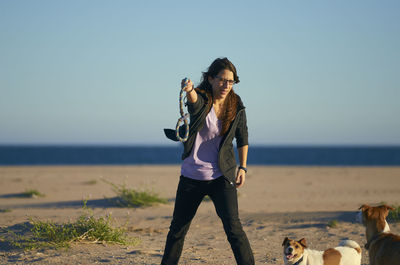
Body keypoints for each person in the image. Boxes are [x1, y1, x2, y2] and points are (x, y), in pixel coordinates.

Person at [162, 57, 254, 265]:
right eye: (222, 80)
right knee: (177, 230)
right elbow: (195, 104)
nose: (226, 85)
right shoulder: (203, 99)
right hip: (191, 177)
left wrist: (243, 167)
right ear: (211, 79)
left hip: (222, 175)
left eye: (230, 82)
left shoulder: (236, 104)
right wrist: (189, 89)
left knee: (234, 229)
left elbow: (243, 137)